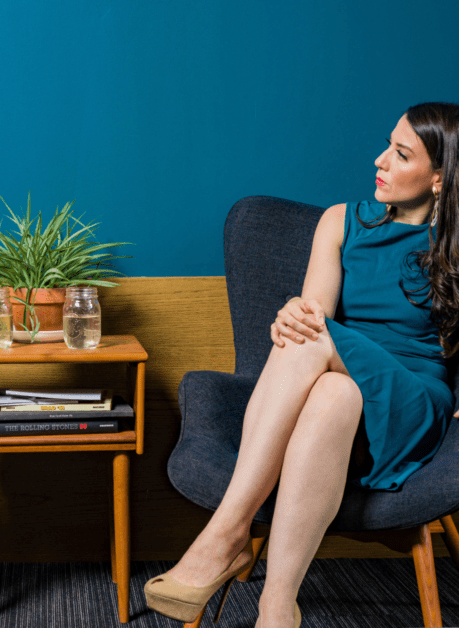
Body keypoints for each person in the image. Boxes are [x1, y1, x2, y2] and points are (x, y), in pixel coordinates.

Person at [144, 101, 459, 627]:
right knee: (323, 367)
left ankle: (226, 534)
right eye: (387, 144)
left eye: (401, 155)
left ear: (438, 179)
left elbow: (319, 335)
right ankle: (277, 606)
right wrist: (292, 313)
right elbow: (314, 314)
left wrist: (307, 328)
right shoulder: (340, 222)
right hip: (342, 387)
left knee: (313, 339)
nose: (379, 160)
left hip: (412, 396)